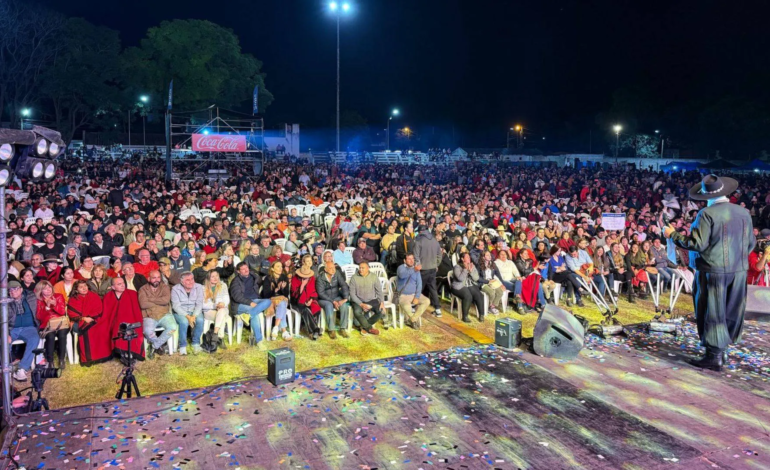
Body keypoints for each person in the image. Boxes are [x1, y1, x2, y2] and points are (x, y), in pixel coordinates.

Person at [664, 174, 755, 371]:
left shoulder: (706, 214)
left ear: (706, 196)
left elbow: (697, 244)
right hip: (738, 271)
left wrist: (673, 235)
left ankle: (714, 356)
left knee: (712, 310)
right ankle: (723, 349)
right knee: (731, 309)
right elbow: (750, 243)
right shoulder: (743, 213)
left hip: (713, 271)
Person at [67, 280, 112, 366]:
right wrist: (83, 318)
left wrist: (91, 317)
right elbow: (72, 314)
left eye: (85, 286)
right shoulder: (73, 299)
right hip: (79, 321)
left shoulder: (94, 295)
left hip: (94, 318)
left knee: (103, 327)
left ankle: (102, 355)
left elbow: (99, 309)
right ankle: (89, 357)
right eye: (81, 287)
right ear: (76, 290)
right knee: (88, 330)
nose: (84, 288)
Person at [229, 262, 269, 350]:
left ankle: (248, 315)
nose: (246, 270)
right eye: (243, 269)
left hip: (254, 300)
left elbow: (261, 282)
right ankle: (259, 341)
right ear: (238, 271)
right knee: (254, 313)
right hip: (240, 304)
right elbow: (237, 297)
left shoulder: (254, 276)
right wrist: (250, 303)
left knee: (268, 301)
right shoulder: (235, 281)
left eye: (246, 267)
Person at [104, 277, 145, 362]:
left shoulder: (133, 294)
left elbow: (136, 310)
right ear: (113, 287)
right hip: (114, 322)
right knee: (115, 329)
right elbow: (107, 313)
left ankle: (129, 354)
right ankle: (122, 353)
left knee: (131, 330)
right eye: (119, 284)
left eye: (123, 283)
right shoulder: (108, 296)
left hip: (131, 320)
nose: (123, 285)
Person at [8, 281, 41, 381]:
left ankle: (22, 368)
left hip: (29, 327)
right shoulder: (5, 301)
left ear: (21, 289)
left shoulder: (31, 296)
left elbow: (43, 294)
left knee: (34, 338)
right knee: (4, 340)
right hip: (12, 328)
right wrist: (6, 333)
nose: (13, 291)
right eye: (10, 290)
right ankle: (6, 367)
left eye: (16, 289)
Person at [138, 270, 176, 359]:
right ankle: (159, 345)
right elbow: (143, 304)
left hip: (164, 314)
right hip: (149, 315)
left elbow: (165, 300)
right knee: (147, 331)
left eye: (158, 277)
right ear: (149, 279)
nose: (157, 280)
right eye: (154, 278)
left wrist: (150, 299)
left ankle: (154, 346)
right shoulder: (143, 289)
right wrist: (159, 301)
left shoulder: (165, 287)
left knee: (173, 327)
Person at [34, 280, 69, 369]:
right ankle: (50, 361)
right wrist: (47, 307)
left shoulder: (58, 296)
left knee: (62, 335)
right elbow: (39, 317)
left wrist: (55, 305)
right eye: (45, 288)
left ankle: (61, 359)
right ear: (40, 291)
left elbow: (62, 312)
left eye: (49, 287)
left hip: (60, 323)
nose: (48, 289)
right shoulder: (39, 301)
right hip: (46, 325)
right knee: (50, 336)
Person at [171, 272, 205, 355]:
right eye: (187, 280)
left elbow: (199, 304)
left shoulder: (199, 287)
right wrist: (188, 317)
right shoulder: (175, 289)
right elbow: (176, 306)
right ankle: (182, 345)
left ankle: (195, 343)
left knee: (200, 320)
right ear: (182, 282)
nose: (191, 282)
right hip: (181, 312)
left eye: (192, 279)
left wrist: (194, 316)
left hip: (194, 310)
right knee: (184, 322)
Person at [316, 260, 351, 339]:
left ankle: (342, 328)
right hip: (324, 299)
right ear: (325, 269)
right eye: (330, 268)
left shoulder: (337, 273)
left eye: (334, 268)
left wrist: (345, 298)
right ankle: (331, 330)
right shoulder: (320, 278)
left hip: (336, 296)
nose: (333, 270)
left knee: (344, 305)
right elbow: (321, 293)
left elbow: (344, 285)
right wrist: (333, 301)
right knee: (329, 305)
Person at [413, 225, 443, 317]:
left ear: (420, 232)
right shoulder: (435, 241)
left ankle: (413, 306)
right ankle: (438, 310)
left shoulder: (419, 241)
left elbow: (416, 256)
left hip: (422, 269)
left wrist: (418, 266)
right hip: (432, 268)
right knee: (433, 289)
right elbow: (439, 255)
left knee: (419, 288)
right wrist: (436, 264)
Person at [259, 261, 293, 341]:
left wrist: (283, 288)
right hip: (270, 300)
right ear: (272, 269)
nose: (280, 268)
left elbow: (286, 294)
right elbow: (266, 295)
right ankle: (284, 332)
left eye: (281, 266)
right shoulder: (268, 279)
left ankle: (276, 327)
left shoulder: (284, 278)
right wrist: (276, 289)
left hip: (281, 300)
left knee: (282, 303)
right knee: (282, 306)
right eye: (278, 266)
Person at [291, 254, 322, 339]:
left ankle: (313, 330)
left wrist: (311, 300)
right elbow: (293, 294)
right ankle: (315, 330)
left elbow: (313, 291)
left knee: (316, 307)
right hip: (297, 301)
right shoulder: (295, 278)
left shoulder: (311, 278)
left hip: (309, 299)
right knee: (306, 309)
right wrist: (302, 286)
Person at [348, 262, 384, 335]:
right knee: (357, 312)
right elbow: (352, 294)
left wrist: (382, 302)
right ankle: (369, 329)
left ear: (368, 268)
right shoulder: (354, 277)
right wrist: (361, 304)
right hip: (358, 301)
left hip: (371, 300)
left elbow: (379, 291)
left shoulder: (374, 276)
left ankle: (364, 327)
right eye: (360, 268)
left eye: (363, 268)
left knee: (381, 311)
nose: (360, 269)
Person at [396, 253, 430, 328]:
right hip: (403, 295)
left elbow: (419, 284)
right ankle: (413, 320)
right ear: (404, 260)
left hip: (414, 294)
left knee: (427, 301)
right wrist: (414, 270)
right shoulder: (401, 268)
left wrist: (417, 297)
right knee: (406, 306)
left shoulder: (416, 270)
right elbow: (402, 275)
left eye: (412, 259)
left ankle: (412, 319)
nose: (411, 261)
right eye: (409, 259)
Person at [202, 270, 231, 350]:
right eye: (213, 276)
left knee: (222, 311)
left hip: (222, 309)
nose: (216, 278)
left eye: (217, 276)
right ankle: (220, 338)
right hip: (209, 311)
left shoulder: (223, 285)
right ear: (208, 278)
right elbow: (203, 305)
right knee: (222, 316)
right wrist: (215, 306)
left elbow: (226, 298)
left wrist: (223, 304)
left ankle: (214, 336)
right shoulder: (203, 288)